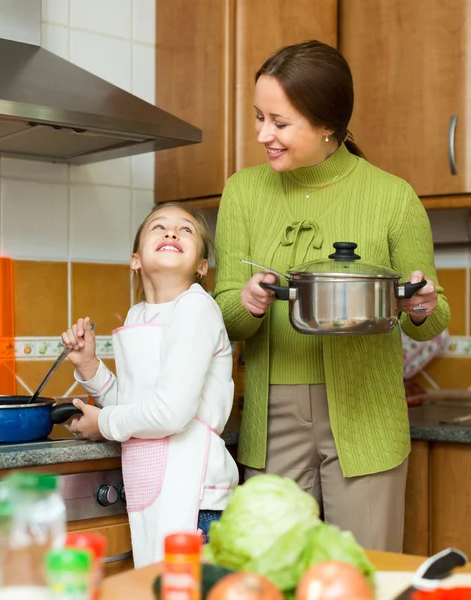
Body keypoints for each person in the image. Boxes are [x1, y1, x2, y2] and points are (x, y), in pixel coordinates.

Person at [213, 40, 450, 552]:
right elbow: (226, 314)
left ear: (327, 125)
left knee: (364, 573)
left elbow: (433, 316)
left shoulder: (393, 197)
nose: (262, 135)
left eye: (279, 122)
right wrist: (248, 301)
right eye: (259, 117)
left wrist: (423, 306)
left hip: (367, 417)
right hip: (272, 417)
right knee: (273, 576)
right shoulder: (243, 192)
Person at [61, 202, 239, 568]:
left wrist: (103, 423)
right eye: (159, 227)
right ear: (135, 259)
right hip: (154, 489)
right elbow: (132, 405)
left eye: (186, 230)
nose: (172, 232)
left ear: (202, 267)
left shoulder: (195, 308)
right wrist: (90, 366)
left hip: (194, 497)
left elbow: (170, 413)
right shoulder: (137, 315)